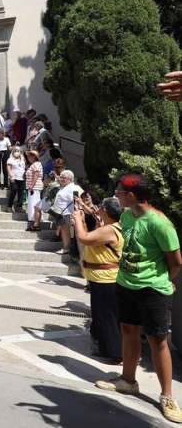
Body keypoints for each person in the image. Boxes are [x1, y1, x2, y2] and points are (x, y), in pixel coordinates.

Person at [95, 175, 182, 424]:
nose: (117, 196)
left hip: (152, 290)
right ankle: (128, 381)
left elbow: (176, 262)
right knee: (128, 331)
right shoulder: (126, 217)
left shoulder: (160, 224)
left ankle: (167, 396)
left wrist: (163, 280)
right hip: (125, 285)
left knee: (157, 340)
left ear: (130, 196)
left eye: (119, 192)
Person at [72, 196, 123, 365]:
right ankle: (106, 347)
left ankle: (117, 353)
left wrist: (77, 219)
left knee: (107, 316)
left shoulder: (110, 229)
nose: (98, 208)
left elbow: (84, 238)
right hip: (100, 278)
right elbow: (91, 238)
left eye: (100, 207)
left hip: (106, 279)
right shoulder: (108, 227)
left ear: (106, 211)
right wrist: (85, 221)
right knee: (100, 314)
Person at [24, 150, 44, 231]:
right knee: (32, 203)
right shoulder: (33, 165)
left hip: (35, 187)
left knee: (34, 203)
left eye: (29, 156)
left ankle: (35, 221)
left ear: (34, 157)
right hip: (32, 187)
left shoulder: (36, 164)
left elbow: (36, 175)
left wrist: (32, 185)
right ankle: (34, 220)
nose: (28, 157)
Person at [5, 146, 25, 213]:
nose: (16, 152)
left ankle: (20, 206)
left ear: (20, 152)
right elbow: (8, 167)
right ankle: (9, 206)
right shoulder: (11, 159)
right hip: (14, 177)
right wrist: (11, 176)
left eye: (18, 151)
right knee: (13, 191)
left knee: (21, 192)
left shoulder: (23, 160)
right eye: (15, 151)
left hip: (21, 178)